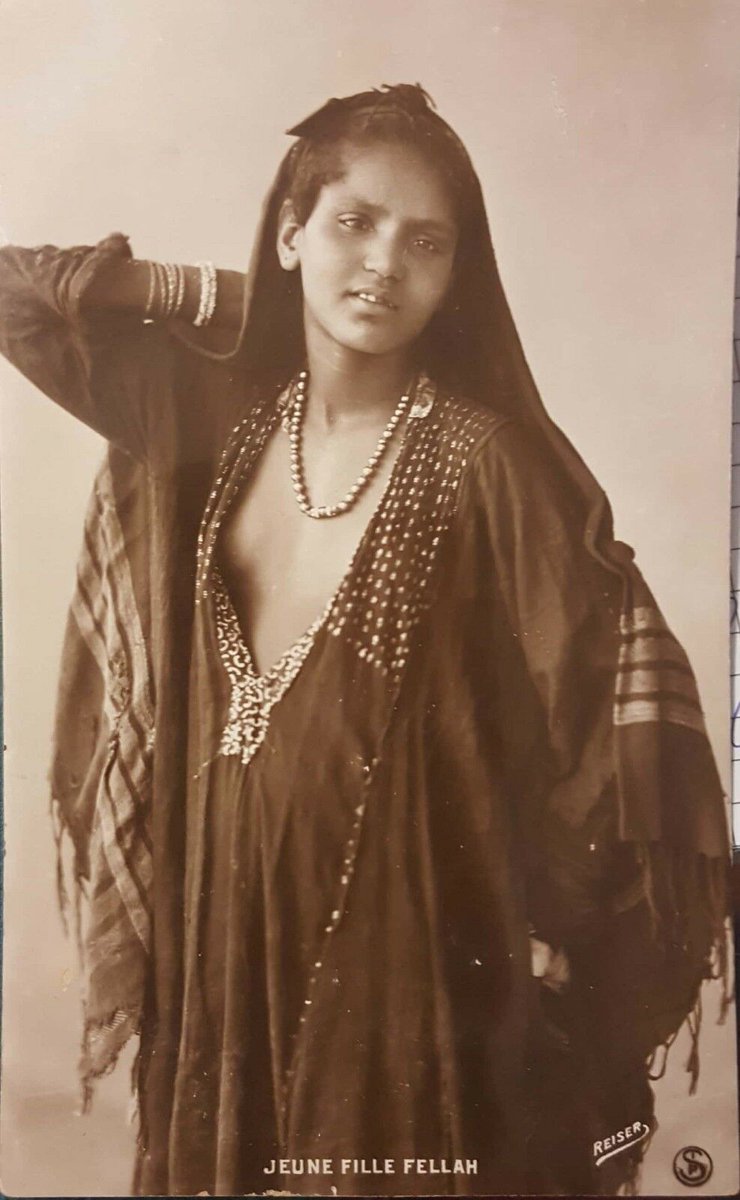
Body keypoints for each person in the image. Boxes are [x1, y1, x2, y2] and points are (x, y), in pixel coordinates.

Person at [0, 84, 732, 1198]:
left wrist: (552, 927)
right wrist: (258, 301)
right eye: (355, 222)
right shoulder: (222, 423)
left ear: (457, 277)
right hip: (220, 946)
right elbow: (19, 297)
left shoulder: (487, 463)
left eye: (426, 243)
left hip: (415, 969)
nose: (387, 263)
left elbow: (604, 719)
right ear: (289, 230)